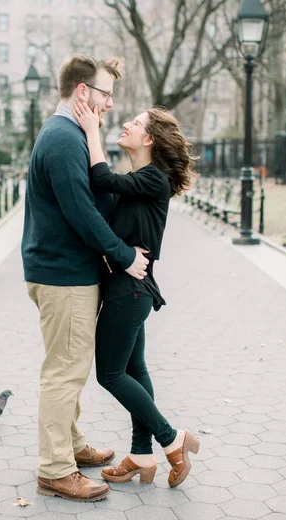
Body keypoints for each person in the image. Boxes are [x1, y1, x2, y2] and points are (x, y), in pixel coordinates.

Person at [21, 54, 150, 503]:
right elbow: (81, 211)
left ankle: (70, 445)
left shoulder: (73, 134)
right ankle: (55, 469)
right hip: (63, 276)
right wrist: (123, 256)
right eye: (105, 94)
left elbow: (97, 197)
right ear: (82, 92)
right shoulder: (61, 138)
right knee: (64, 372)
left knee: (68, 366)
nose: (110, 104)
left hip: (66, 272)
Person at [73, 99, 199, 489]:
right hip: (131, 290)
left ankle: (170, 438)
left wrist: (92, 130)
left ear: (149, 138)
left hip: (129, 292)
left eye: (135, 122)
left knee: (110, 374)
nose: (126, 123)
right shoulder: (142, 178)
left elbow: (101, 179)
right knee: (134, 370)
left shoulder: (153, 178)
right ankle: (141, 454)